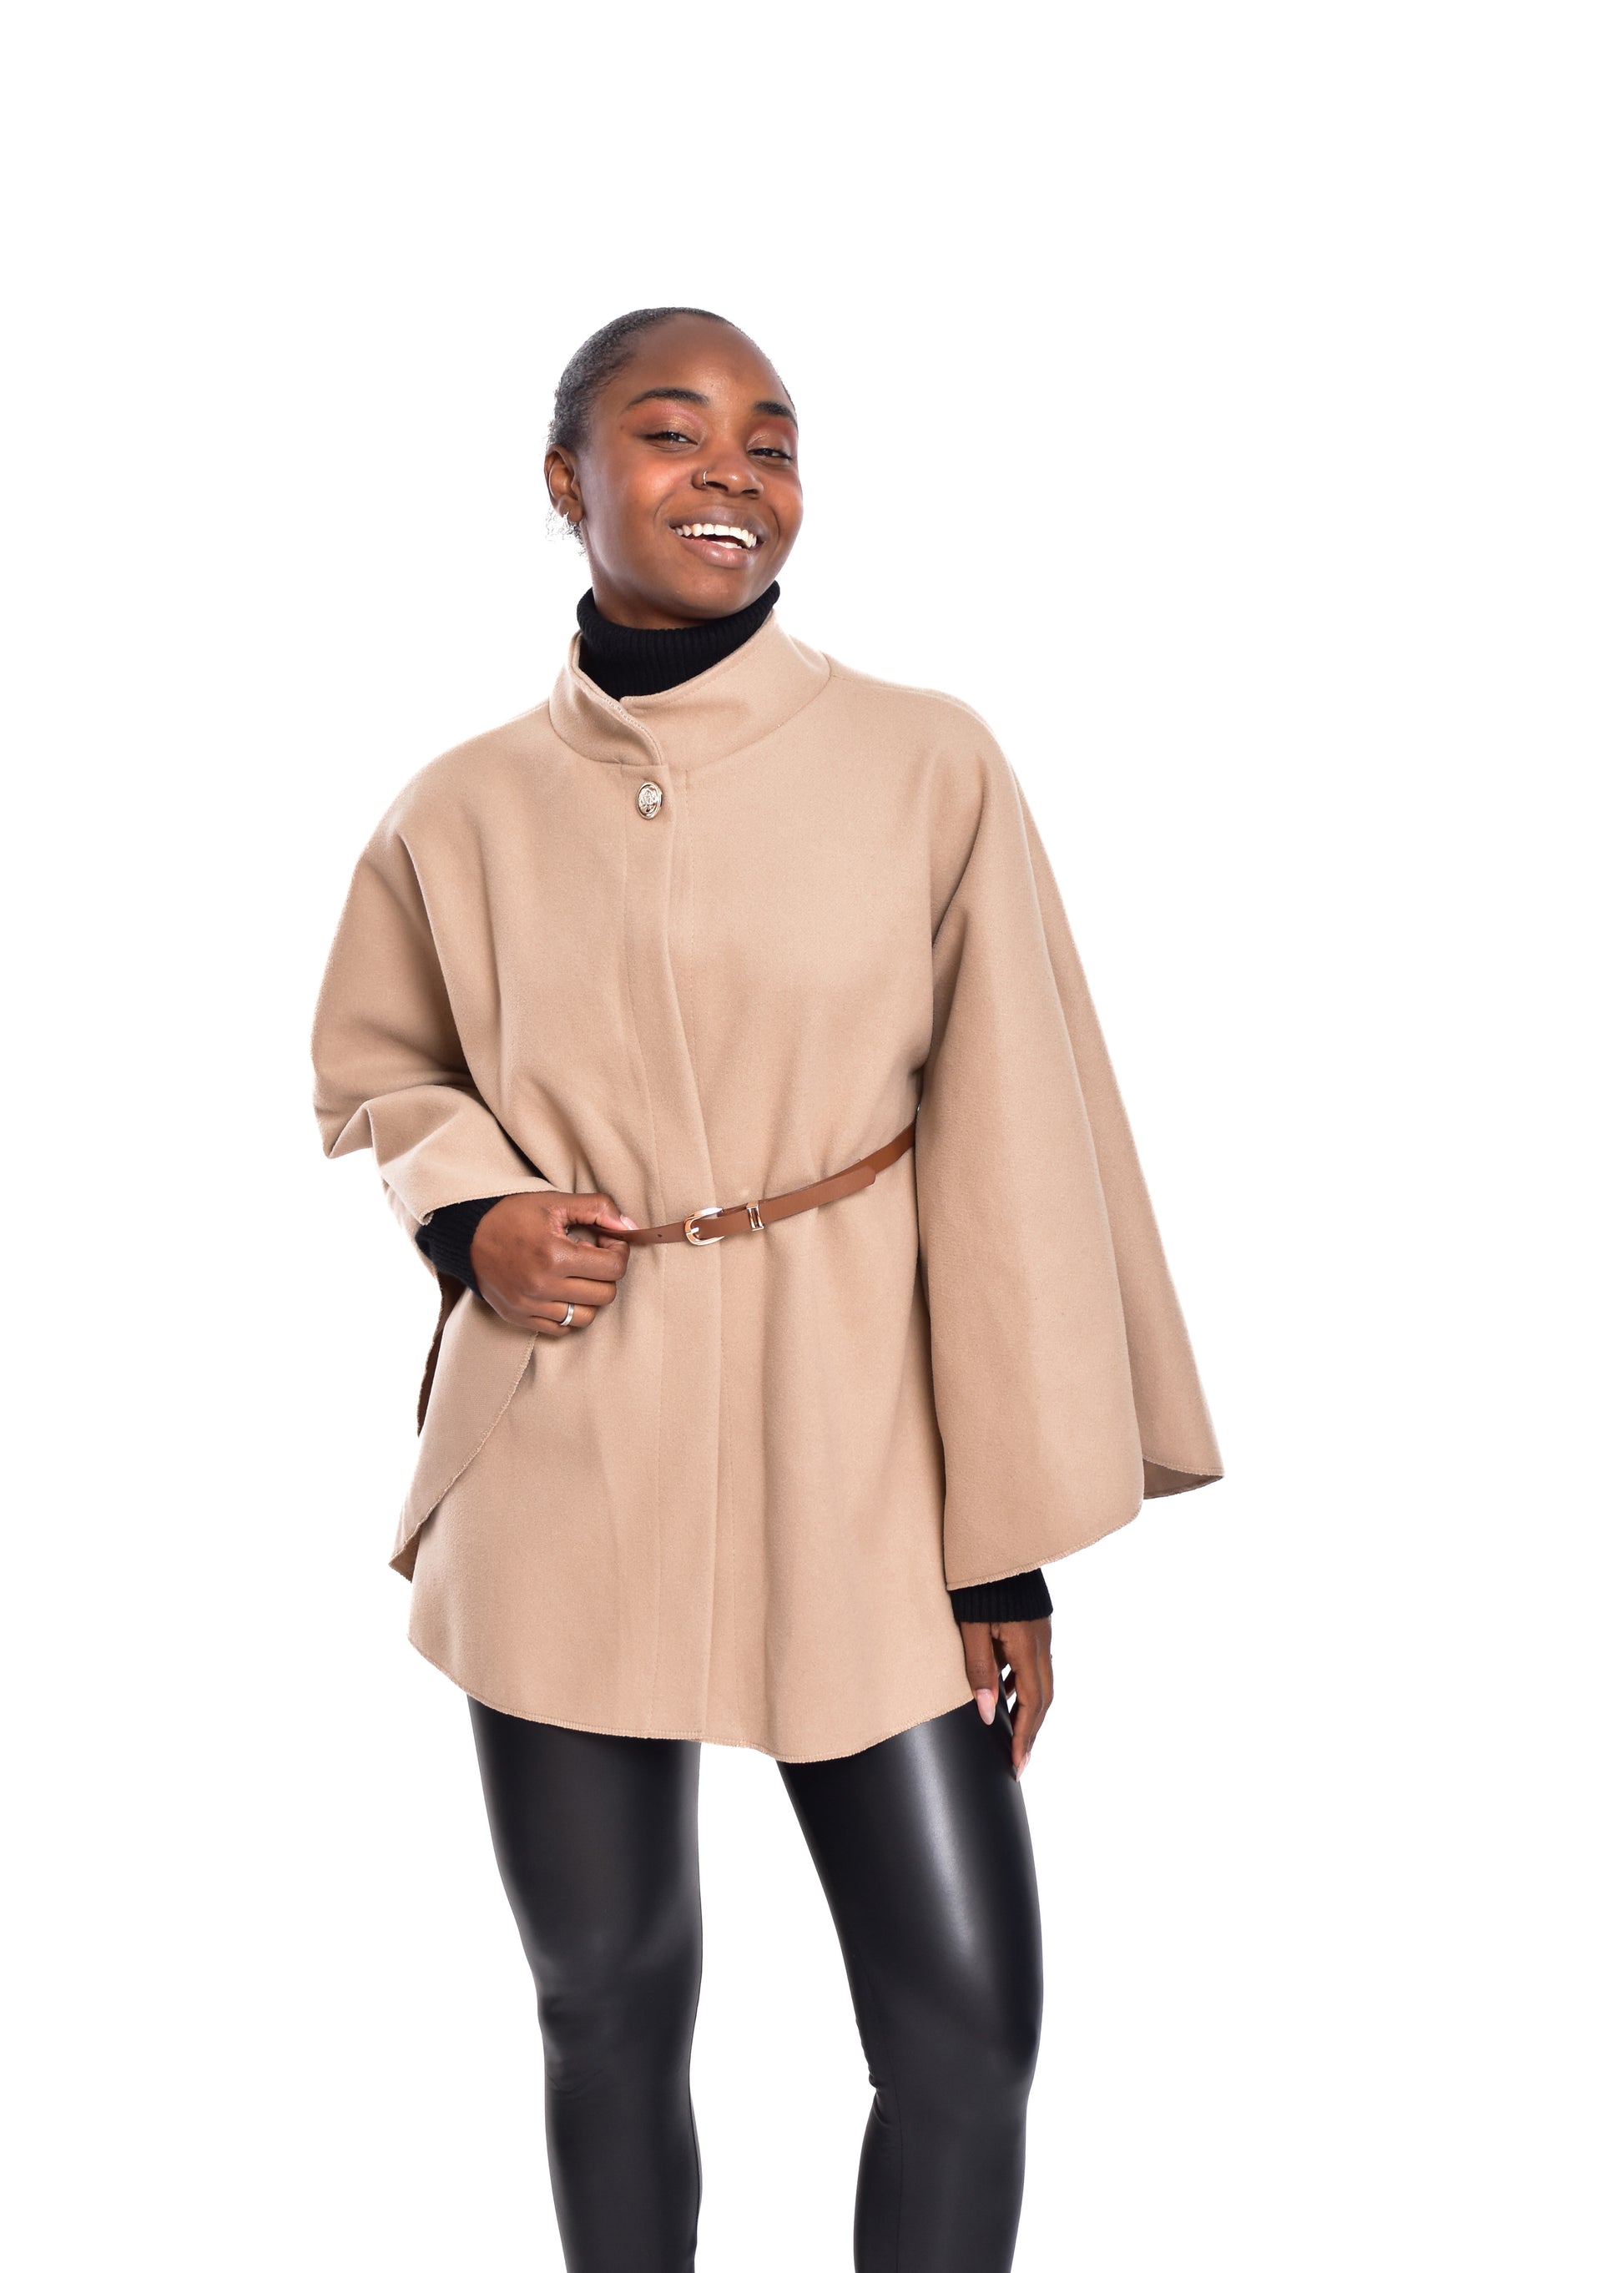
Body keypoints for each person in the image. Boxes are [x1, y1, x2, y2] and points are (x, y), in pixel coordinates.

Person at [310, 305, 1223, 2273]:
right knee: (604, 1998)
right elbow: (380, 1068)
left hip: (860, 1446)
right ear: (564, 480)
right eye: (673, 429)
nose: (733, 468)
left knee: (965, 2032)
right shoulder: (457, 807)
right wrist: (473, 1217)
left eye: (773, 438)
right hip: (566, 1443)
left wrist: (998, 1545)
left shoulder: (925, 761)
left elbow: (1013, 1154)